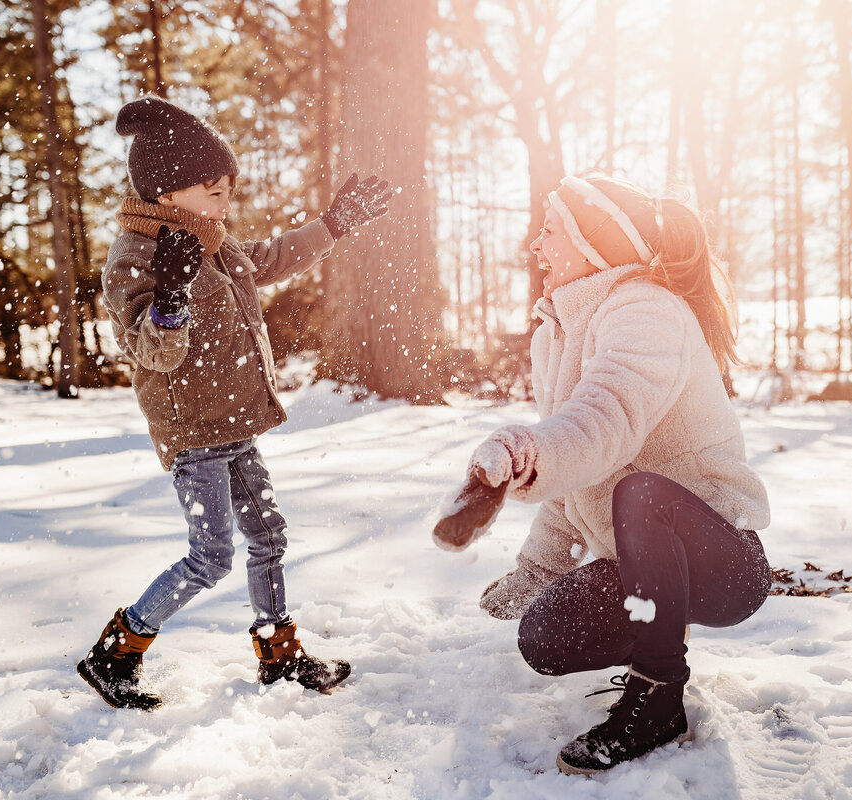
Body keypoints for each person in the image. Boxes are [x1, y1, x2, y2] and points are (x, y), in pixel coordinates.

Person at [78, 95, 392, 710]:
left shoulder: (212, 240)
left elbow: (269, 260)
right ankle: (115, 653)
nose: (227, 202)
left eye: (228, 190)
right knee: (211, 557)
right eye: (214, 190)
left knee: (269, 535)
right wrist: (170, 300)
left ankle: (279, 654)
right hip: (195, 432)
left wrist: (332, 225)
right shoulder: (134, 258)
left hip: (236, 420)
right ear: (169, 194)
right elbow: (154, 352)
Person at [461, 175, 772, 774]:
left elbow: (605, 419)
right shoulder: (559, 331)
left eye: (550, 231)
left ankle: (658, 696)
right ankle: (658, 627)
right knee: (544, 639)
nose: (536, 245)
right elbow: (581, 464)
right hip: (645, 568)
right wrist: (535, 572)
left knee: (643, 493)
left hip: (723, 561)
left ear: (590, 241)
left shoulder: (646, 310)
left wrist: (527, 449)